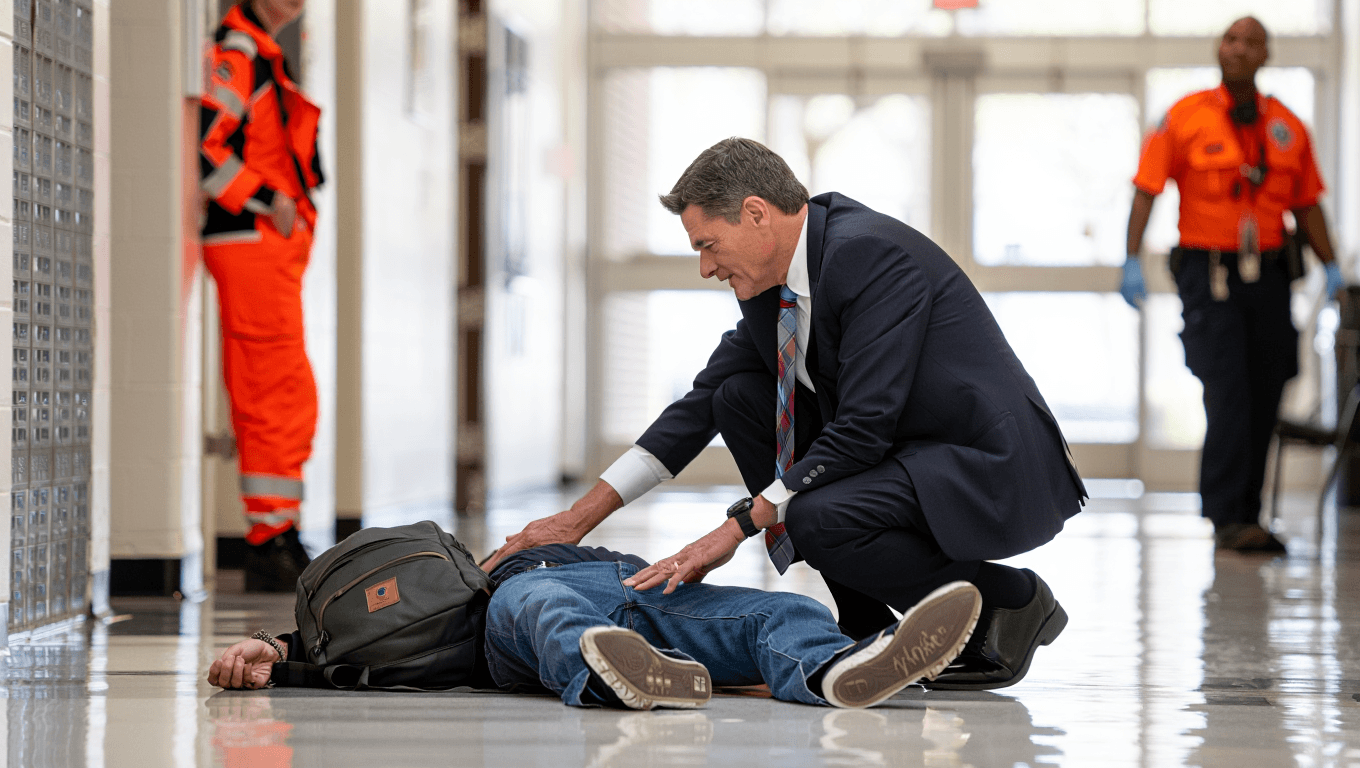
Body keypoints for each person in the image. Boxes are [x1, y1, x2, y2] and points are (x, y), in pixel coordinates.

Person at [487, 138, 1087, 690]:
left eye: (706, 245)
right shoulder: (773, 285)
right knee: (735, 399)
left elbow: (862, 428)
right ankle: (864, 624)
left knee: (817, 516)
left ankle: (1011, 601)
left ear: (755, 214)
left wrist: (736, 528)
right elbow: (698, 406)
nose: (705, 268)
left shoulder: (867, 254)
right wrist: (578, 517)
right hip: (904, 451)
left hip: (981, 462)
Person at [207, 541, 985, 710]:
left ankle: (835, 670)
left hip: (634, 587)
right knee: (539, 608)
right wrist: (279, 649)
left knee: (781, 610)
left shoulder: (528, 549)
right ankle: (614, 675)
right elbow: (360, 639)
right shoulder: (487, 594)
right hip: (516, 619)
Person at [1119, 17, 1342, 553]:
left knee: (1266, 388)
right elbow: (1147, 189)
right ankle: (1226, 518)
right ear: (1219, 50)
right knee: (1230, 390)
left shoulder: (1287, 126)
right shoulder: (1185, 116)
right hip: (1209, 273)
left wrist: (1330, 265)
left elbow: (1307, 203)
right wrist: (1129, 257)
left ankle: (1249, 513)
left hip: (1268, 274)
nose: (1239, 49)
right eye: (1231, 40)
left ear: (1266, 55)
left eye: (1252, 42)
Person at [199, 0, 322, 590]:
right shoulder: (241, 50)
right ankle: (269, 538)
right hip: (250, 241)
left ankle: (279, 529)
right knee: (271, 390)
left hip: (266, 248)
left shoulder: (265, 53)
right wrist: (263, 201)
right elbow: (209, 148)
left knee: (286, 390)